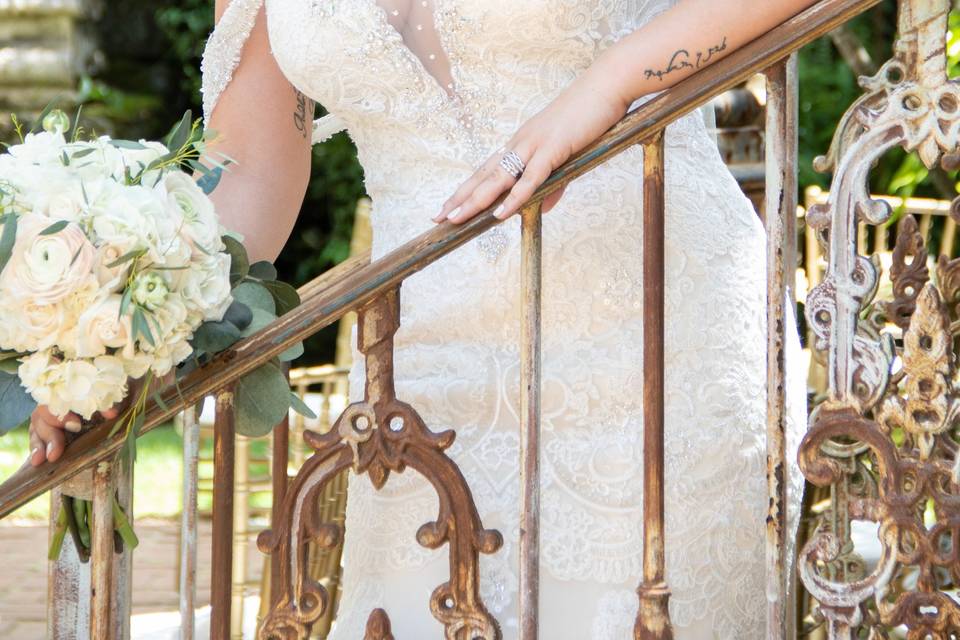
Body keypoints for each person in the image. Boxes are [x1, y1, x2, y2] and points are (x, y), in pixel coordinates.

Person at [31, 0, 815, 636]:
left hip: (661, 330)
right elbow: (256, 168)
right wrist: (127, 326)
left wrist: (606, 86)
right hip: (420, 384)